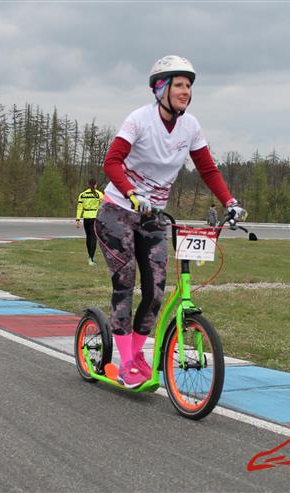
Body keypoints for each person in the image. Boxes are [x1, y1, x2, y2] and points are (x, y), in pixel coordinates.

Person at [95, 55, 246, 389]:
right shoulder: (139, 120)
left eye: (189, 86)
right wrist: (132, 193)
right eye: (179, 84)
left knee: (155, 291)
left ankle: (138, 356)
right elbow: (111, 162)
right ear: (161, 88)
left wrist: (230, 203)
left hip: (154, 217)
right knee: (125, 283)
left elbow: (208, 169)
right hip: (117, 212)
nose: (185, 91)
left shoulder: (190, 126)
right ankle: (125, 361)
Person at [76, 178, 104, 266]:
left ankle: (90, 257)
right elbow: (103, 206)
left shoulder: (82, 194)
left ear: (88, 184)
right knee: (94, 237)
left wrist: (78, 219)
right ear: (96, 184)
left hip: (86, 217)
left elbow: (79, 207)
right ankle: (91, 258)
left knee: (88, 237)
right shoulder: (99, 194)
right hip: (95, 217)